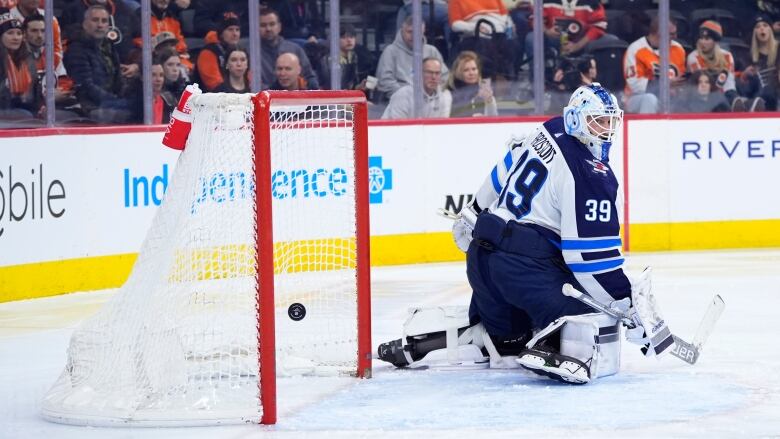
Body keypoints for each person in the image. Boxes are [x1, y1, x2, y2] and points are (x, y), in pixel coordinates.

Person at [378, 83, 673, 385]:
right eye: (597, 121)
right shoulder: (590, 174)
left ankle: (487, 340)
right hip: (522, 271)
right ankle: (552, 347)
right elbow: (589, 261)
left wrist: (473, 211)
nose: (605, 130)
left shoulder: (550, 128)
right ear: (576, 119)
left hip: (482, 260)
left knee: (509, 340)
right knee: (596, 311)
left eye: (610, 121)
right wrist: (629, 309)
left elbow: (505, 167)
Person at [63, 4, 140, 123]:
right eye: (95, 20)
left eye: (104, 21)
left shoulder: (108, 46)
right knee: (129, 114)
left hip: (108, 102)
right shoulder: (76, 49)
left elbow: (117, 81)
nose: (100, 25)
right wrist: (114, 101)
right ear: (85, 24)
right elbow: (86, 86)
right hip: (88, 105)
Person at [623, 16, 686, 114]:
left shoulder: (678, 49)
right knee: (650, 99)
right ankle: (647, 129)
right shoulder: (636, 49)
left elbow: (680, 80)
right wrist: (664, 85)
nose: (676, 37)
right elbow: (635, 86)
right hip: (636, 99)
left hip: (669, 98)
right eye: (672, 34)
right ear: (660, 33)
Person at [375, 15, 449, 99]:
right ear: (402, 30)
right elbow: (384, 82)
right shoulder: (390, 51)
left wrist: (431, 94)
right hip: (400, 102)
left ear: (423, 32)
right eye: (410, 32)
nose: (414, 36)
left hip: (430, 101)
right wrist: (408, 96)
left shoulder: (432, 51)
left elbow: (445, 77)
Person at [686, 20, 743, 111]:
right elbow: (702, 82)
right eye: (701, 38)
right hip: (702, 97)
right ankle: (733, 106)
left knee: (727, 77)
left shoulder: (727, 56)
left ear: (715, 41)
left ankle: (736, 103)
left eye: (707, 39)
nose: (703, 42)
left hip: (726, 94)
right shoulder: (693, 57)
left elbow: (730, 83)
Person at [259, 8, 318, 90]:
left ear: (279, 27)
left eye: (272, 24)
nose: (268, 29)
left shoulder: (295, 49)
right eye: (263, 25)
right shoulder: (251, 52)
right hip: (264, 99)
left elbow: (309, 77)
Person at [381, 57, 451, 119]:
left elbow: (441, 126)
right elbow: (398, 127)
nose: (433, 77)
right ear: (419, 73)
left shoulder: (444, 96)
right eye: (429, 72)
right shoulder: (403, 95)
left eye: (437, 73)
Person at [0, 9, 39, 118]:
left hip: (24, 107)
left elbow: (35, 89)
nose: (16, 38)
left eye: (19, 33)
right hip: (4, 108)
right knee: (25, 116)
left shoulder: (27, 57)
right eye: (10, 33)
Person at [737, 14, 779, 111]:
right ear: (754, 32)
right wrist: (745, 75)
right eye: (758, 27)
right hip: (760, 96)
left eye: (765, 25)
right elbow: (745, 87)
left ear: (770, 29)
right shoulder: (748, 56)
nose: (762, 29)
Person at [195, 12, 240, 92]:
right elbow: (214, 84)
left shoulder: (239, 51)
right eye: (230, 29)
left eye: (237, 30)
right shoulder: (208, 52)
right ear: (221, 33)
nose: (235, 34)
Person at [445, 50, 497, 117]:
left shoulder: (484, 91)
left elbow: (493, 120)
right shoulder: (449, 94)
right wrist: (471, 119)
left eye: (474, 69)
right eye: (466, 70)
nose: (471, 73)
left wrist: (489, 101)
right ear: (458, 73)